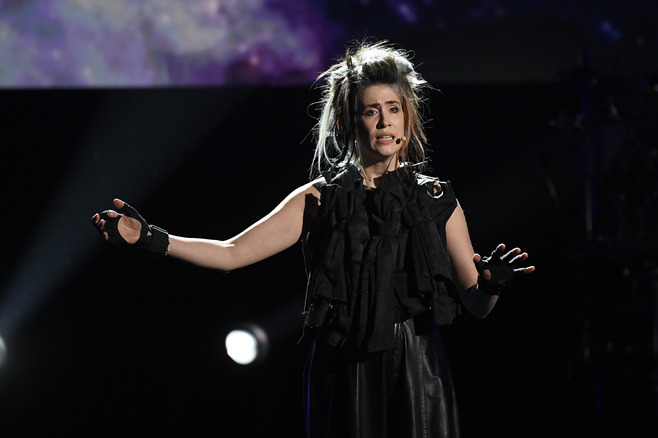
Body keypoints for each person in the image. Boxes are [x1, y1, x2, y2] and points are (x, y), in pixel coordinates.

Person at [92, 40, 534, 438]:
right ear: (349, 121)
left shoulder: (438, 201)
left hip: (418, 372)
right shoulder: (320, 199)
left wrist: (493, 284)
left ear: (408, 116)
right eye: (370, 110)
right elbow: (232, 253)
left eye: (393, 108)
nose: (384, 121)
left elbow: (475, 303)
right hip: (344, 372)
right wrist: (151, 238)